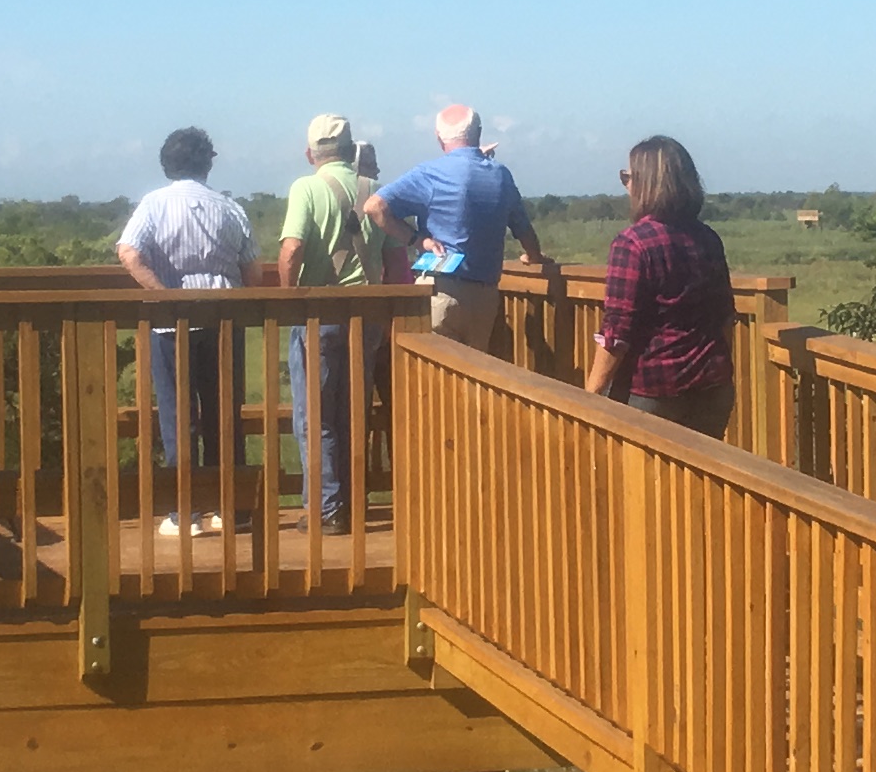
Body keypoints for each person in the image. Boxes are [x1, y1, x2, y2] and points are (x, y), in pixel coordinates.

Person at [115, 125, 252, 528]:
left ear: (166, 164)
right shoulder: (230, 207)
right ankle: (231, 507)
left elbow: (128, 252)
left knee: (178, 416)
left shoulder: (154, 205)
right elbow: (250, 267)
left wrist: (164, 296)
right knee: (224, 413)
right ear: (208, 162)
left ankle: (185, 510)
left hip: (171, 325)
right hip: (225, 318)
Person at [363, 103, 548, 353]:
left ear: (439, 138)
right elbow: (525, 231)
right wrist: (534, 258)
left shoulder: (430, 174)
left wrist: (417, 240)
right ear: (478, 132)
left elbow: (375, 207)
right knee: (473, 384)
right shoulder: (501, 175)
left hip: (440, 291)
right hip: (484, 298)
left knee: (431, 382)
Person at [586, 132, 737, 438]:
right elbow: (724, 317)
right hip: (712, 386)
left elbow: (617, 332)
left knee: (644, 484)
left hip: (653, 391)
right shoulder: (708, 238)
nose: (626, 185)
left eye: (628, 177)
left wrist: (590, 393)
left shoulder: (632, 244)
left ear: (645, 183)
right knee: (700, 483)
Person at [274, 112, 380, 532]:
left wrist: (290, 300)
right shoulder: (374, 189)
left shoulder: (306, 187)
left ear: (309, 153)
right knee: (356, 411)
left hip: (319, 315)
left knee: (315, 415)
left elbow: (292, 250)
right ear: (351, 150)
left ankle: (328, 508)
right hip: (368, 314)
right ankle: (353, 502)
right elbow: (392, 259)